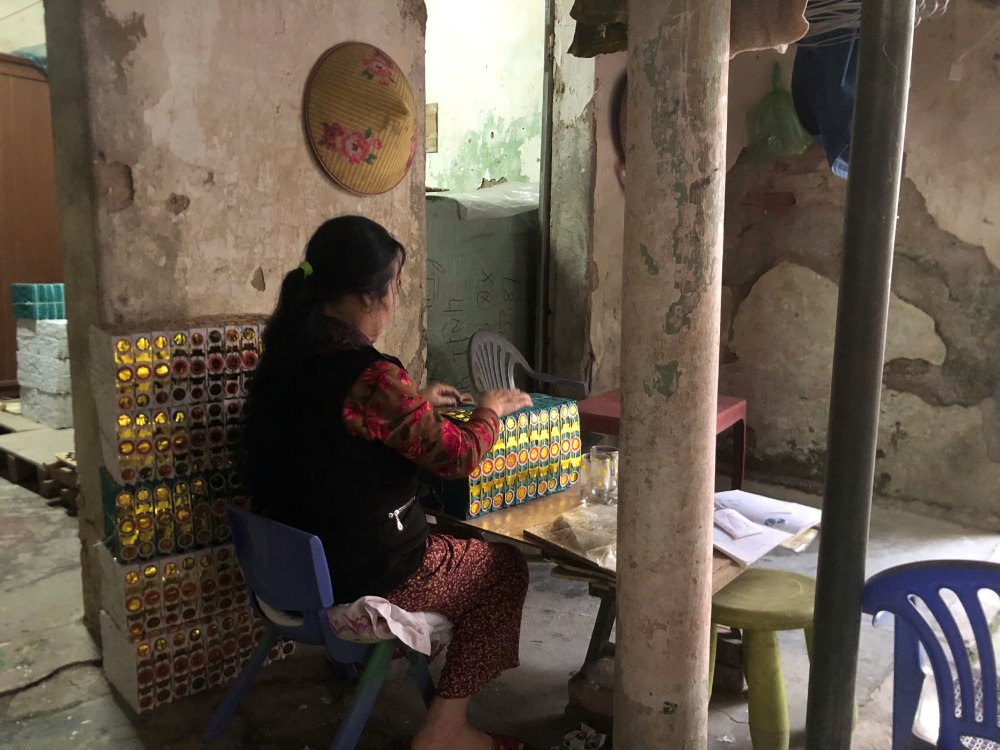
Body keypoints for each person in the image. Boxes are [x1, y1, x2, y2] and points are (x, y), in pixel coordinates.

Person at [242, 215, 533, 750]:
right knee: (500, 566)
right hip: (358, 574)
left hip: (284, 573)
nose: (397, 297)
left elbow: (336, 430)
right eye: (396, 285)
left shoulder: (288, 357)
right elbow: (459, 457)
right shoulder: (374, 378)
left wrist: (414, 399)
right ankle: (446, 730)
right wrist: (488, 409)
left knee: (460, 543)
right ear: (367, 296)